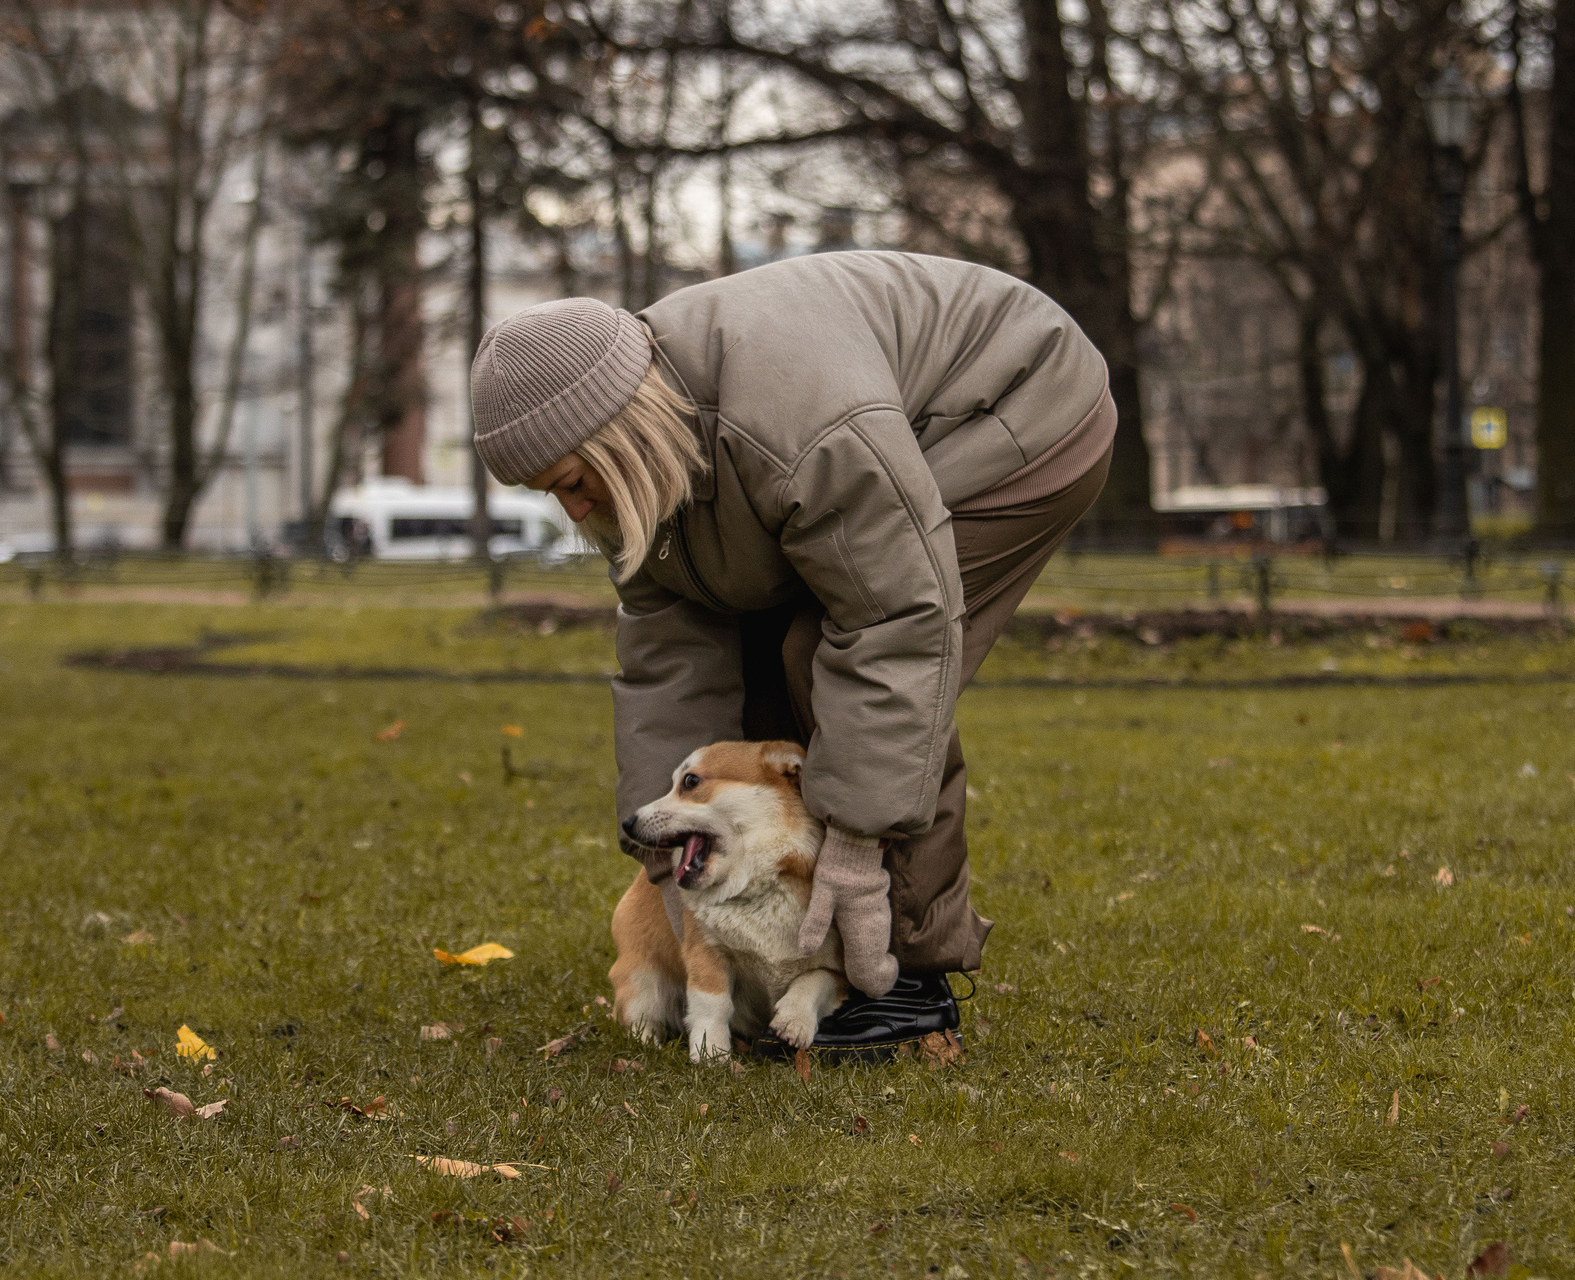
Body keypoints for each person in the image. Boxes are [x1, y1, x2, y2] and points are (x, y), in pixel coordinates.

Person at [470, 250, 1115, 1055]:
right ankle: (800, 957)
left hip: (1021, 410)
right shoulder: (641, 464)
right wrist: (675, 869)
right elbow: (670, 668)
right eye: (551, 493)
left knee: (829, 652)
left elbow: (895, 628)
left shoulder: (793, 424)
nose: (575, 509)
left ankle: (904, 978)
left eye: (574, 479)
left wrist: (853, 845)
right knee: (773, 676)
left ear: (623, 430)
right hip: (878, 435)